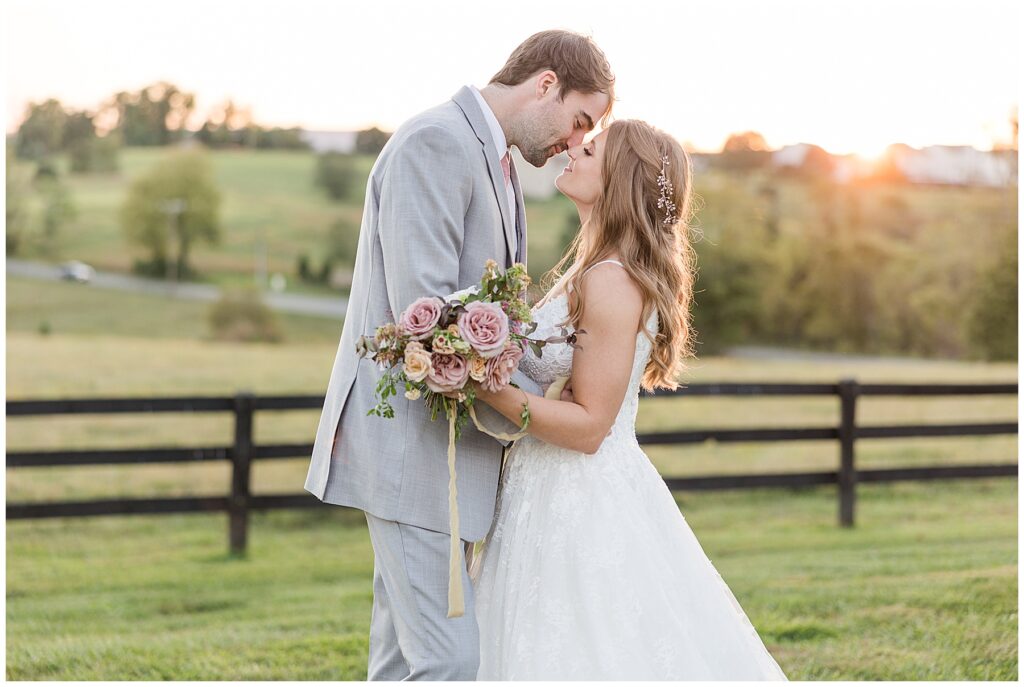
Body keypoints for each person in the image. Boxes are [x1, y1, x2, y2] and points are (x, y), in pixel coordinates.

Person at [303, 30, 614, 680]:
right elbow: (430, 316)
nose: (574, 142)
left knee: (401, 664)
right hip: (414, 454)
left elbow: (494, 316)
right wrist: (536, 399)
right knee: (452, 664)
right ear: (546, 83)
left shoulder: (497, 164)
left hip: (447, 457)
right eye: (579, 120)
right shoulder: (437, 142)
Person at [469, 119, 789, 680]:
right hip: (542, 484)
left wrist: (483, 387)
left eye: (588, 149)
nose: (573, 149)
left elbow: (591, 427)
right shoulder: (594, 268)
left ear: (619, 177)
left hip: (577, 495)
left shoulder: (612, 279)